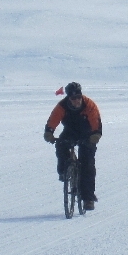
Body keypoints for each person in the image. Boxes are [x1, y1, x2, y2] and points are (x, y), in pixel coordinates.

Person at [44, 82, 102, 210]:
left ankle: (88, 198)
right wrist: (49, 133)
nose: (76, 101)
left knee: (87, 164)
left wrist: (94, 137)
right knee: (60, 146)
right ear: (68, 98)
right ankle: (64, 171)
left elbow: (96, 125)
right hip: (70, 132)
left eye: (78, 97)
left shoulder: (89, 105)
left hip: (88, 134)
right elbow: (52, 121)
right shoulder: (62, 106)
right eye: (73, 98)